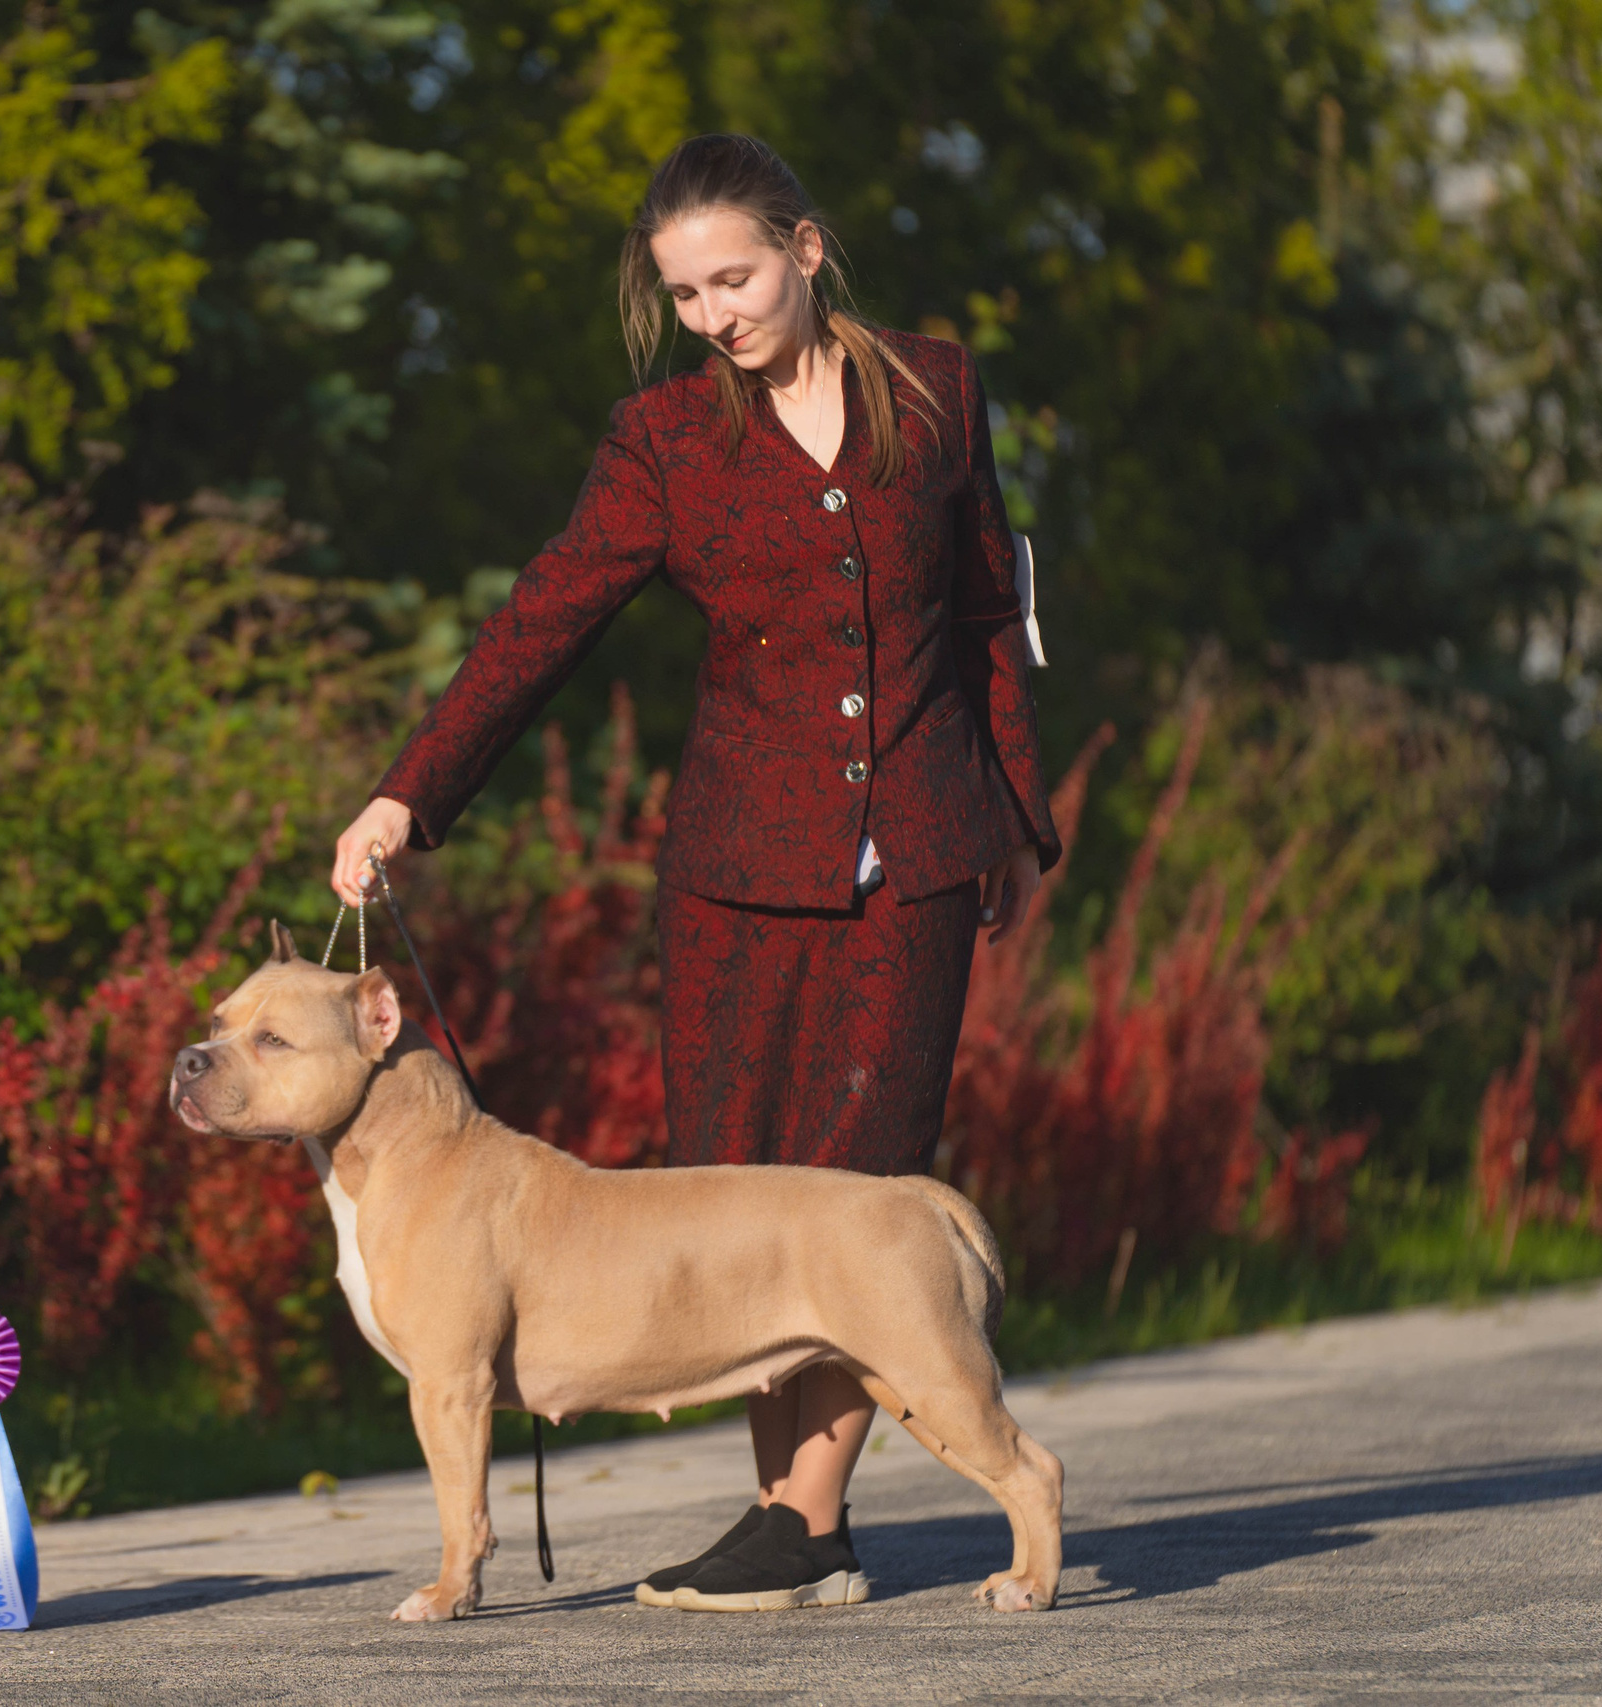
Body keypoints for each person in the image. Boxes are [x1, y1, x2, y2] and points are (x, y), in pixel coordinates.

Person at [327, 133, 1060, 1613]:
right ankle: (804, 1528)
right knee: (736, 1202)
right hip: (732, 881)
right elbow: (543, 620)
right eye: (685, 294)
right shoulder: (666, 441)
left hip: (914, 863)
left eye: (734, 276)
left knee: (854, 1201)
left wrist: (1009, 816)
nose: (714, 314)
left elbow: (989, 609)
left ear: (807, 246)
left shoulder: (935, 390)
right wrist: (414, 790)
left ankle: (803, 1518)